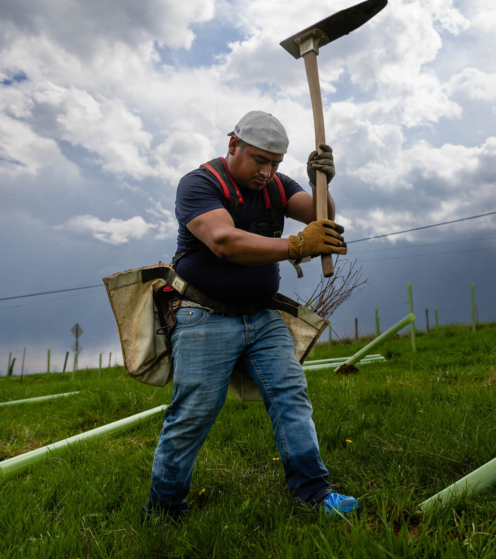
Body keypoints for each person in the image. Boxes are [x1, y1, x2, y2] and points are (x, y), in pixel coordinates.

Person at [145, 111, 356, 524]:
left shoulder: (277, 184)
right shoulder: (201, 183)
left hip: (262, 318)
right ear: (233, 146)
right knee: (193, 413)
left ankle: (314, 492)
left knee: (291, 398)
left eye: (276, 163)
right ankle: (164, 510)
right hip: (204, 315)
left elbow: (318, 216)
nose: (267, 171)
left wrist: (324, 183)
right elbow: (224, 241)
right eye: (259, 160)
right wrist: (295, 245)